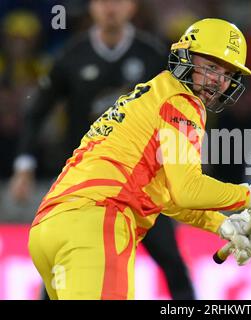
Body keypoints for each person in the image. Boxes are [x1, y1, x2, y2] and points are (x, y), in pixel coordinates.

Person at [27, 17, 251, 300]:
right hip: (97, 223)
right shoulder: (182, 102)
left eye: (227, 74)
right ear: (185, 57)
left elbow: (165, 195)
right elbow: (188, 189)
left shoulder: (155, 94)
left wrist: (222, 224)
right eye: (211, 67)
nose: (218, 81)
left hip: (49, 227)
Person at [9, 0, 194, 299]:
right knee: (61, 268)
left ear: (132, 7)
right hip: (86, 188)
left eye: (118, 1)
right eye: (103, 1)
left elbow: (181, 112)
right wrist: (24, 166)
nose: (111, 8)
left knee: (173, 264)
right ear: (92, 7)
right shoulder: (72, 56)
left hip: (142, 186)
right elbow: (37, 110)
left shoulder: (154, 56)